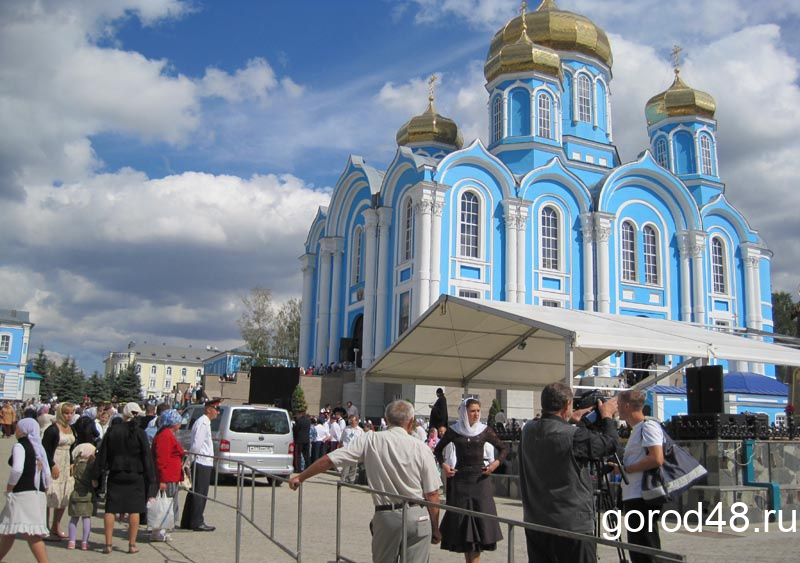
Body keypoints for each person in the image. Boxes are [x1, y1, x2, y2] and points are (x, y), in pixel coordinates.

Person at [289, 400, 442, 563]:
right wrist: (435, 527)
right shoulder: (421, 447)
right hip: (417, 514)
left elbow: (330, 460)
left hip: (387, 515)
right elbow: (432, 493)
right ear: (411, 421)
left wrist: (301, 476)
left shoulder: (371, 439)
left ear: (386, 419)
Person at [519, 383, 619, 563]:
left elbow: (549, 430)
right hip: (571, 527)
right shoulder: (574, 437)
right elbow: (610, 444)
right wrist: (607, 416)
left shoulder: (528, 431)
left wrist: (571, 420)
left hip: (536, 522)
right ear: (567, 405)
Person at [433, 398, 508, 562]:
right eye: (472, 411)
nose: (475, 414)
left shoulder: (484, 430)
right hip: (460, 481)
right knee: (463, 527)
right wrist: (444, 466)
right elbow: (437, 450)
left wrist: (494, 464)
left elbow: (503, 448)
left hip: (480, 482)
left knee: (479, 527)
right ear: (464, 412)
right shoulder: (454, 430)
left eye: (478, 411)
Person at [95, 402, 155, 554]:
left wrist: (97, 474)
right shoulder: (140, 432)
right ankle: (131, 545)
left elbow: (103, 453)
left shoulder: (113, 430)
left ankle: (108, 545)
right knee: (134, 510)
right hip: (136, 474)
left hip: (116, 472)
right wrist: (151, 479)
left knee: (111, 508)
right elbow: (147, 457)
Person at [617, 390, 664, 563]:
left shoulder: (648, 426)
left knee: (645, 546)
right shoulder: (636, 430)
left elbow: (656, 458)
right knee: (638, 546)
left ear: (627, 406)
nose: (617, 408)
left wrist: (627, 469)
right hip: (634, 495)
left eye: (619, 404)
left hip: (643, 495)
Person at [0, 418, 51, 563]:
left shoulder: (20, 446)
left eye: (18, 427)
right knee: (9, 529)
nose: (16, 430)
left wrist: (10, 487)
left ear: (24, 430)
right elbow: (47, 473)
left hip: (22, 493)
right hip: (37, 492)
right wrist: (44, 489)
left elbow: (17, 469)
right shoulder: (39, 448)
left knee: (31, 534)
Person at [180, 398, 220, 532]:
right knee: (200, 493)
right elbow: (197, 445)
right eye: (216, 409)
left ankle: (188, 520)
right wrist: (190, 460)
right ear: (209, 409)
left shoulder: (204, 422)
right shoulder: (203, 422)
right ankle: (197, 521)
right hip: (201, 461)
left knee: (194, 492)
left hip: (202, 461)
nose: (217, 412)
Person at [42, 402, 75, 541]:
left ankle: (56, 526)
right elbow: (45, 450)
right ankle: (44, 528)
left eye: (71, 413)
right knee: (49, 495)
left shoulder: (71, 428)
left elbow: (72, 447)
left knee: (63, 496)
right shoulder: (52, 429)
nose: (68, 416)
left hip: (66, 462)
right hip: (54, 461)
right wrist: (52, 464)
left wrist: (72, 463)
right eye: (66, 413)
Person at [151, 409, 185, 539]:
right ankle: (160, 531)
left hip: (171, 475)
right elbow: (162, 458)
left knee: (167, 503)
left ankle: (160, 530)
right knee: (165, 504)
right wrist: (163, 479)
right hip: (167, 476)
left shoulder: (166, 434)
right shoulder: (165, 435)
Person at [67, 443, 96, 551]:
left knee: (73, 519)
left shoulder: (75, 466)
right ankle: (84, 542)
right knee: (86, 518)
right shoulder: (90, 468)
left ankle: (71, 541)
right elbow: (94, 483)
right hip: (87, 495)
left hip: (76, 493)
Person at [339, 415, 364, 483]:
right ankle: (343, 479)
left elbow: (362, 441)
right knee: (346, 465)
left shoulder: (360, 431)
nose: (351, 422)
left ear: (356, 421)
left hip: (355, 450)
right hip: (346, 449)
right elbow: (342, 439)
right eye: (350, 420)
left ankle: (351, 479)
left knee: (354, 466)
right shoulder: (346, 429)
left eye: (353, 421)